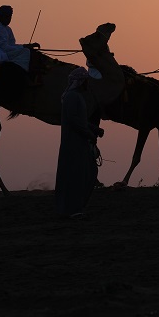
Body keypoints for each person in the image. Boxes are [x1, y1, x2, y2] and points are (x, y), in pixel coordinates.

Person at [54, 68, 104, 218]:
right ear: (81, 82)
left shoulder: (76, 96)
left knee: (88, 172)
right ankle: (72, 209)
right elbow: (74, 120)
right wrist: (89, 134)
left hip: (80, 142)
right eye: (86, 80)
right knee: (76, 175)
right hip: (73, 143)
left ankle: (76, 207)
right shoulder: (71, 97)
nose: (88, 83)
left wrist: (95, 129)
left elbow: (80, 120)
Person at [0, 5, 39, 71]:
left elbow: (12, 45)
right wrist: (24, 47)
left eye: (10, 16)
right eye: (7, 16)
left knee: (26, 51)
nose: (9, 19)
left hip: (4, 53)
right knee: (26, 52)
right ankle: (20, 71)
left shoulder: (8, 29)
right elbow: (5, 48)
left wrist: (25, 46)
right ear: (1, 17)